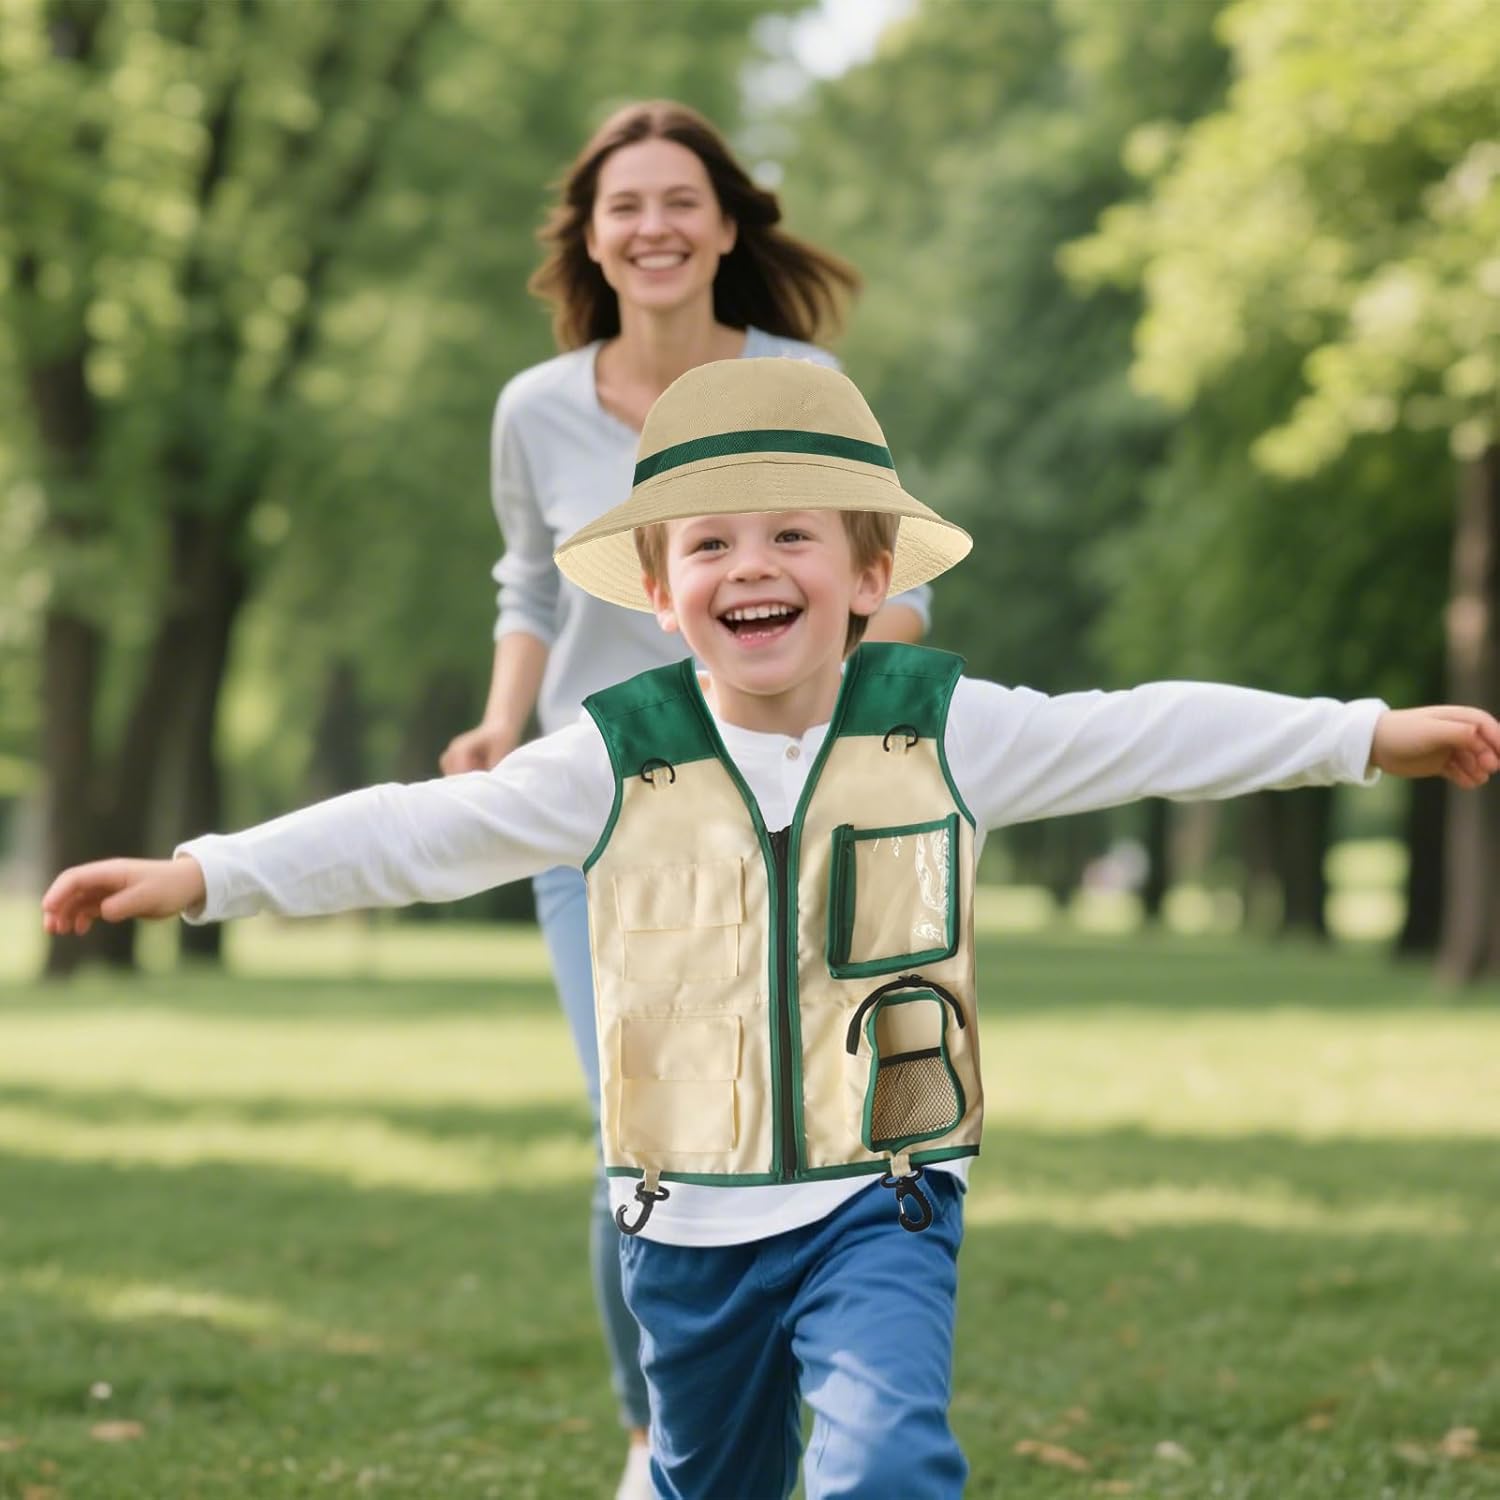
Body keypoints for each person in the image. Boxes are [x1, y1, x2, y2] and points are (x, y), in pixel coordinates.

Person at [43, 359, 1500, 1500]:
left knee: (886, 1466)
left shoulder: (946, 730)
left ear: (869, 578)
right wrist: (204, 874)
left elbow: (1150, 732)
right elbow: (418, 832)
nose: (752, 564)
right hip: (683, 1227)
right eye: (712, 544)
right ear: (662, 594)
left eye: (793, 535)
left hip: (886, 1198)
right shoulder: (615, 754)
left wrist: (1365, 734)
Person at [435, 100, 930, 1494]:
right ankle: (659, 1433)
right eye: (625, 207)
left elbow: (895, 584)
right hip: (601, 810)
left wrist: (826, 682)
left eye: (678, 201)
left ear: (724, 226)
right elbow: (528, 584)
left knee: (785, 1123)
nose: (652, 227)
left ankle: (811, 1381)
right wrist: (499, 721)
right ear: (591, 240)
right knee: (643, 1133)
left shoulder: (801, 382)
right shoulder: (535, 408)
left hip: (777, 810)